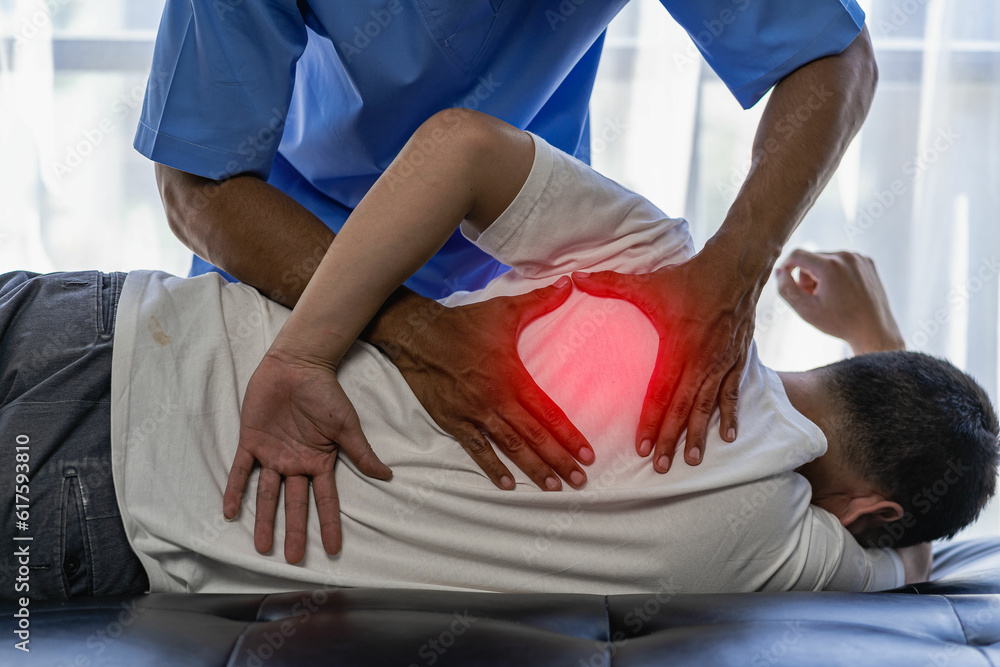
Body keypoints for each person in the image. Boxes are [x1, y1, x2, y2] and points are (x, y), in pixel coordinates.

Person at [3, 109, 995, 600]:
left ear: (847, 376)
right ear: (866, 509)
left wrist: (304, 356)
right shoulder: (768, 551)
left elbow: (460, 147)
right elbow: (909, 558)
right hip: (102, 515)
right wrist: (887, 355)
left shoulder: (664, 273)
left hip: (118, 331)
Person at [136, 1, 880, 500]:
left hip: (523, 255)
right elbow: (198, 184)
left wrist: (733, 274)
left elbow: (835, 56)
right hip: (294, 257)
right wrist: (407, 328)